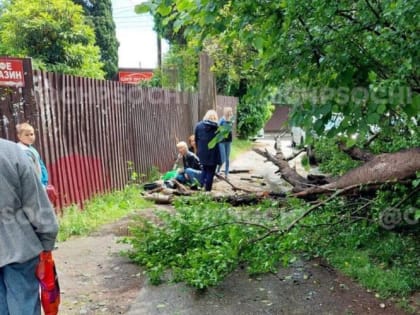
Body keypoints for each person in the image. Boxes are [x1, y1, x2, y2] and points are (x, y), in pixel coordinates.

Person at [0, 138, 59, 315]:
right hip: (20, 246)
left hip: (17, 248)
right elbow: (36, 204)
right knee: (23, 306)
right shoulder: (11, 152)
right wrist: (47, 244)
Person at [194, 109, 221, 191]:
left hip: (202, 152)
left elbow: (196, 139)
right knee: (211, 171)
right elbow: (220, 140)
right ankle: (207, 190)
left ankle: (200, 186)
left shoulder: (198, 126)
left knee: (204, 169)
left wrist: (199, 149)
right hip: (213, 153)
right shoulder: (218, 128)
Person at [16, 122, 49, 188]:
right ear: (19, 136)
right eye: (26, 135)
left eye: (32, 134)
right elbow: (29, 170)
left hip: (40, 182)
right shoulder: (21, 150)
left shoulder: (31, 148)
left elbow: (40, 164)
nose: (30, 137)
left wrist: (44, 180)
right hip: (32, 185)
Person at [216, 107, 234, 178]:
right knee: (223, 158)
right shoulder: (222, 120)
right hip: (221, 141)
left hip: (228, 141)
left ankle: (226, 174)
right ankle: (218, 170)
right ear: (226, 112)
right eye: (229, 112)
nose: (230, 113)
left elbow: (230, 129)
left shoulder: (231, 120)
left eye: (231, 111)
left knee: (227, 158)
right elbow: (217, 128)